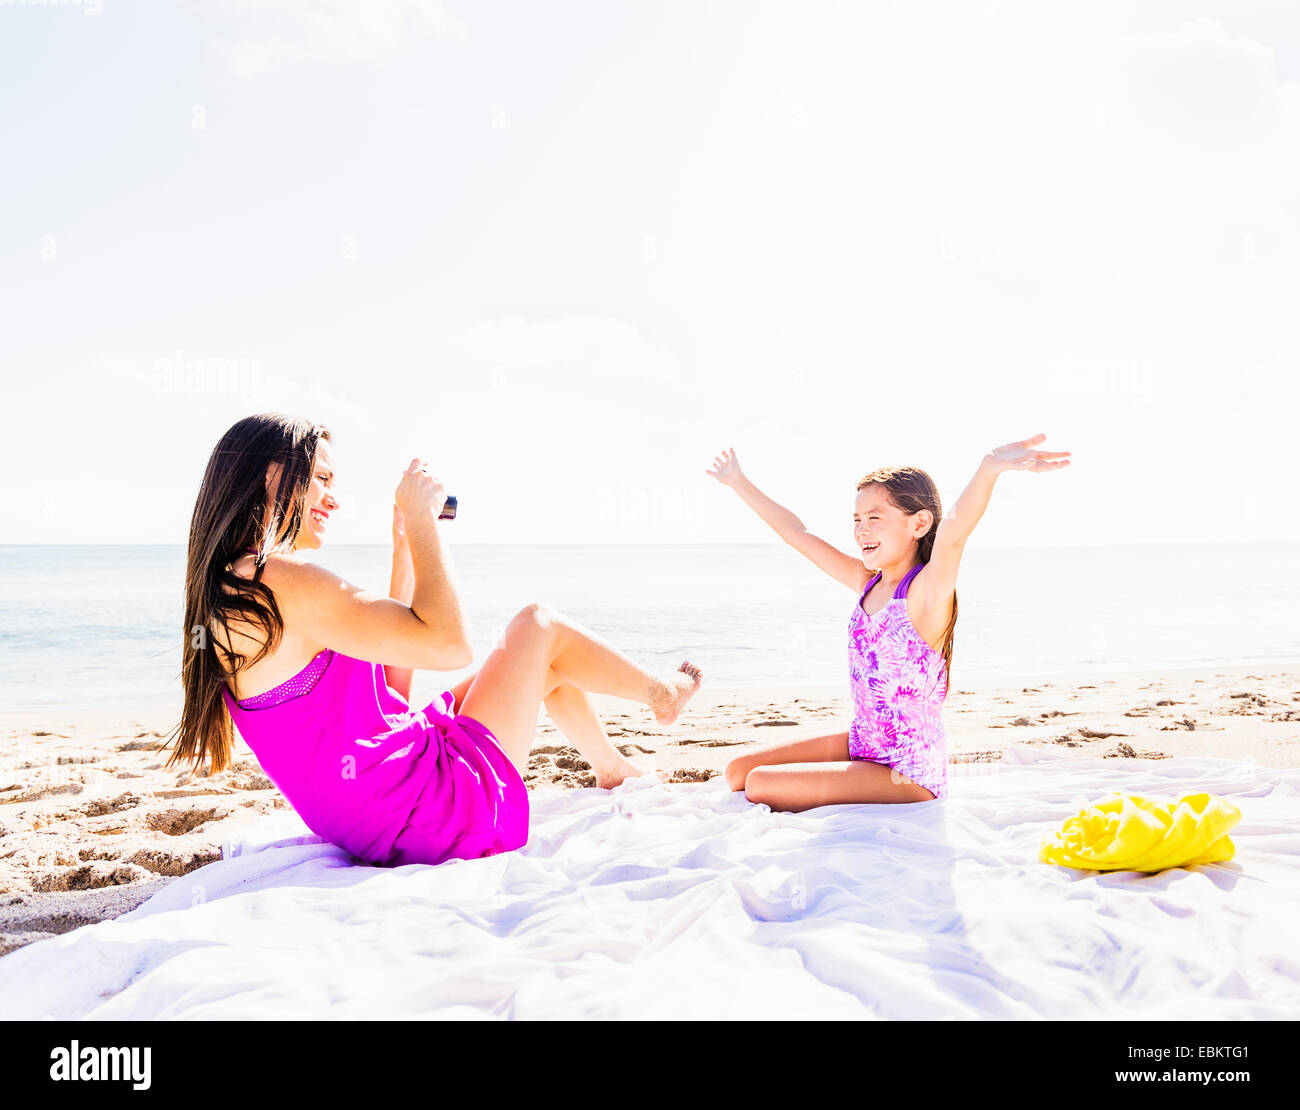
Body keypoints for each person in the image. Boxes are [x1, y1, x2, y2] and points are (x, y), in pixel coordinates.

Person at [168, 413, 702, 867]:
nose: (332, 499)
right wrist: (424, 524)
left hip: (378, 816)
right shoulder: (281, 582)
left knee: (537, 662)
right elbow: (450, 646)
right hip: (431, 815)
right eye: (322, 479)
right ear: (273, 475)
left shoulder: (232, 590)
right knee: (539, 626)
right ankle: (663, 696)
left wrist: (404, 549)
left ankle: (611, 767)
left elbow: (388, 700)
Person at [707, 434, 1070, 810]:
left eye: (874, 518)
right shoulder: (868, 583)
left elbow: (954, 536)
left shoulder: (925, 594)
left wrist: (988, 468)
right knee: (738, 771)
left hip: (908, 772)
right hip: (864, 743)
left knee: (760, 784)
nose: (861, 530)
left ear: (919, 524)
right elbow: (796, 533)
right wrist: (738, 481)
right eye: (857, 519)